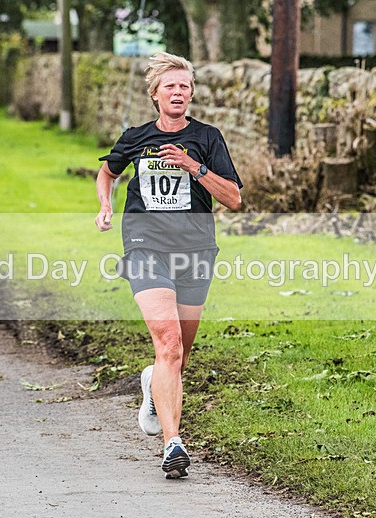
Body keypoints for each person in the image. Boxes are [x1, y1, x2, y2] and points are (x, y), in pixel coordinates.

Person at [94, 52, 242, 479]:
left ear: (191, 94)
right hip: (146, 246)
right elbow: (107, 172)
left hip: (195, 250)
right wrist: (105, 204)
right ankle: (172, 444)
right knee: (170, 345)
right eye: (170, 86)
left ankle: (152, 386)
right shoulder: (136, 137)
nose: (178, 92)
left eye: (184, 86)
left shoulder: (207, 138)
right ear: (155, 94)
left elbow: (232, 198)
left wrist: (194, 167)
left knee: (180, 355)